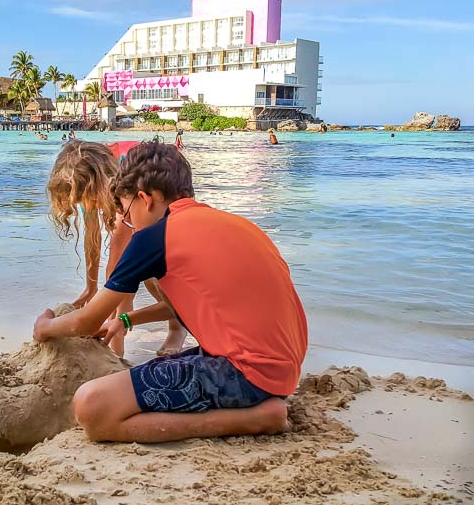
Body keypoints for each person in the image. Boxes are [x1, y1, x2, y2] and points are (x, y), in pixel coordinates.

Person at [34, 140, 306, 443]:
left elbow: (85, 323)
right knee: (148, 374)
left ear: (144, 199)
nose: (128, 223)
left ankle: (255, 419)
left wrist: (45, 328)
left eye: (125, 213)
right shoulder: (232, 223)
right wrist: (125, 321)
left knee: (92, 406)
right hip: (280, 370)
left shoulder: (153, 238)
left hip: (247, 376)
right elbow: (187, 307)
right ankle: (256, 408)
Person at [46, 140, 186, 358]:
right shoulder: (88, 186)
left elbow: (117, 263)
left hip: (164, 189)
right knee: (130, 282)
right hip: (143, 205)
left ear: (96, 187)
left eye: (85, 200)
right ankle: (119, 346)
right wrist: (90, 288)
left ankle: (175, 328)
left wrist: (116, 306)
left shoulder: (124, 190)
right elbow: (91, 239)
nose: (85, 205)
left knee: (153, 273)